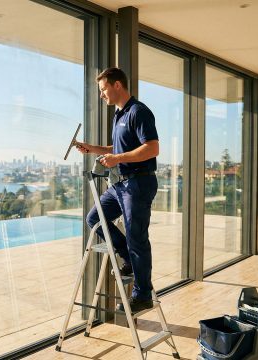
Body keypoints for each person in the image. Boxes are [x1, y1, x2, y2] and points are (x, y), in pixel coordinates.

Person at [76, 67, 159, 313]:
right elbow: (119, 147)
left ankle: (142, 295)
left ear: (117, 86)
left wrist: (117, 158)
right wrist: (92, 148)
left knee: (137, 238)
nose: (102, 95)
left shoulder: (139, 112)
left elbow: (152, 148)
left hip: (138, 183)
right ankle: (129, 260)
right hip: (120, 183)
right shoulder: (119, 115)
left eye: (103, 90)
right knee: (94, 218)